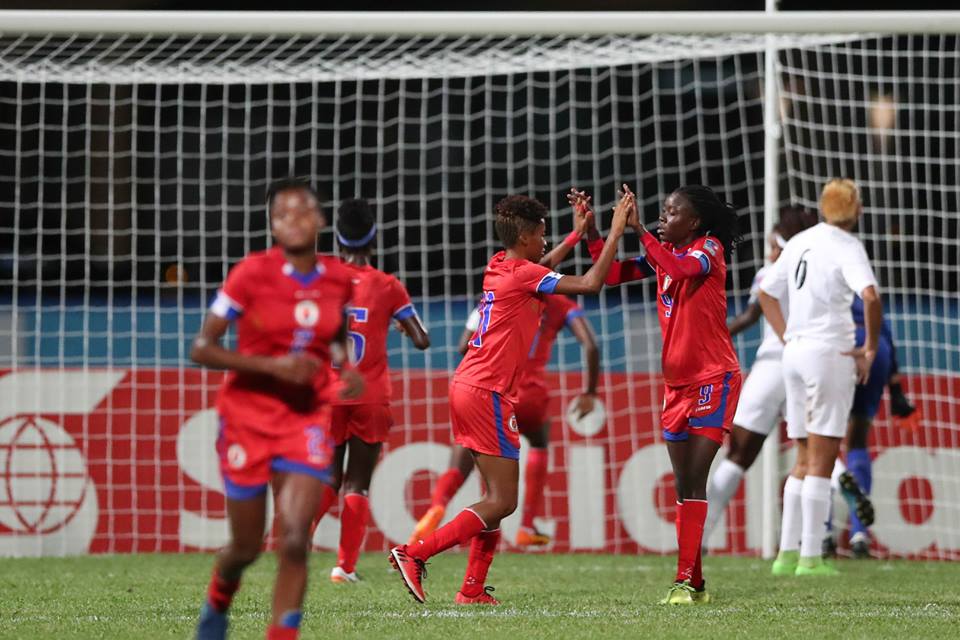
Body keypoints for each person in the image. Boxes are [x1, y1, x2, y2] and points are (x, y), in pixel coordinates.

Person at [389, 189, 634, 605]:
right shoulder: (523, 273)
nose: (544, 241)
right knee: (503, 500)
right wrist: (612, 234)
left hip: (468, 384)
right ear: (525, 238)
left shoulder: (501, 265)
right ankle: (414, 553)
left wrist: (575, 238)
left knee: (493, 498)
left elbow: (544, 266)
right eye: (541, 234)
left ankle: (471, 589)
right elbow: (592, 283)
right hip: (487, 391)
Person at [192, 178, 364, 640]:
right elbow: (203, 348)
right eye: (283, 214)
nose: (294, 220)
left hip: (305, 419)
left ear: (321, 220)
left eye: (303, 211)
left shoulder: (336, 279)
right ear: (272, 225)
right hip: (247, 418)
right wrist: (273, 367)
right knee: (245, 548)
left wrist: (344, 364)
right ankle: (217, 601)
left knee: (293, 541)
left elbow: (332, 333)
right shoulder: (250, 274)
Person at [575, 185, 743, 605]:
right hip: (675, 388)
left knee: (694, 480)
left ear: (695, 222)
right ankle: (697, 582)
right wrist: (595, 233)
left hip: (713, 379)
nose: (662, 219)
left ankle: (684, 580)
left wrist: (638, 232)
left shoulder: (709, 250)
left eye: (671, 213)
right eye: (663, 213)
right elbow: (611, 275)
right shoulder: (662, 257)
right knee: (683, 484)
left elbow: (684, 270)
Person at [409, 290, 599, 549]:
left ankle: (437, 507)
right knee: (539, 440)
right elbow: (590, 344)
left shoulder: (500, 295)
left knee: (465, 455)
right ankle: (527, 525)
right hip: (531, 394)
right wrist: (589, 393)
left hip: (492, 389)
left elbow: (463, 345)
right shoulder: (561, 304)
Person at [759, 178, 882, 577]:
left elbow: (766, 291)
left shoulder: (800, 241)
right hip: (828, 353)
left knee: (801, 456)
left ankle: (785, 556)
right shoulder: (848, 247)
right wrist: (870, 349)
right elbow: (870, 295)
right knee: (823, 458)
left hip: (794, 353)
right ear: (856, 210)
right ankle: (810, 557)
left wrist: (786, 334)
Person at [320, 198, 429, 584]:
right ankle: (344, 567)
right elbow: (422, 340)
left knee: (328, 478)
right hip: (370, 395)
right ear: (373, 239)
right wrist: (400, 325)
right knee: (357, 483)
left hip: (329, 393)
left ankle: (293, 541)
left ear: (336, 239)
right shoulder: (387, 286)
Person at [824, 295, 919, 559]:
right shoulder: (859, 278)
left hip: (838, 347)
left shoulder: (813, 269)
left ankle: (823, 533)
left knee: (820, 440)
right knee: (857, 441)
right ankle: (859, 535)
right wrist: (896, 386)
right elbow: (880, 321)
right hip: (874, 351)